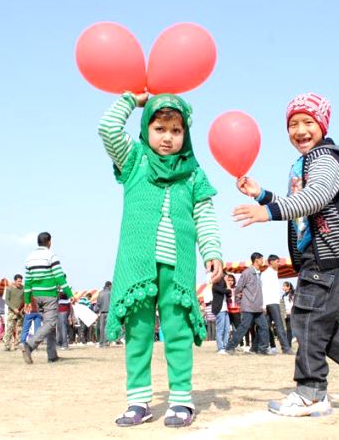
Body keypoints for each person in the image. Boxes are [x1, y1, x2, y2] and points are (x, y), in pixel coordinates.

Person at [233, 92, 339, 416]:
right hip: (317, 255)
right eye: (293, 124)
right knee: (315, 323)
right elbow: (299, 205)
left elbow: (315, 198)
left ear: (322, 125)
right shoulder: (303, 164)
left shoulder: (327, 158)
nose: (300, 130)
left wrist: (267, 212)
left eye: (307, 122)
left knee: (307, 320)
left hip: (328, 254)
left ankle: (311, 392)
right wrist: (262, 194)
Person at [98, 92, 223, 428]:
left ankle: (181, 399)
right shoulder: (134, 159)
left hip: (177, 267)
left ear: (186, 134)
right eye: (159, 128)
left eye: (176, 130)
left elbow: (205, 214)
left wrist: (212, 251)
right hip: (136, 264)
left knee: (177, 331)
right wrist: (131, 100)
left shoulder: (193, 173)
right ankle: (138, 400)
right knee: (137, 331)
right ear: (146, 128)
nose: (168, 137)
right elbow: (108, 127)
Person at [21, 232, 74, 364]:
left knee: (49, 324)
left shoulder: (29, 258)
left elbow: (27, 282)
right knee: (50, 323)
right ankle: (29, 345)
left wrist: (27, 300)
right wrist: (70, 294)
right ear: (49, 242)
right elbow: (59, 276)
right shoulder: (51, 255)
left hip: (35, 295)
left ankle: (52, 355)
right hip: (49, 294)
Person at [223, 253, 271, 355]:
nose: (263, 261)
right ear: (256, 260)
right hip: (248, 307)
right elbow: (238, 289)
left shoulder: (259, 274)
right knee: (243, 328)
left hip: (258, 308)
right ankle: (230, 347)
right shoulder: (247, 272)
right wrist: (240, 302)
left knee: (264, 327)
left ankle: (262, 349)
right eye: (262, 259)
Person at [261, 255, 293, 354]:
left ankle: (258, 347)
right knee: (279, 326)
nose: (279, 263)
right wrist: (264, 305)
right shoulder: (266, 274)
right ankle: (286, 348)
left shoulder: (274, 273)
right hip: (271, 303)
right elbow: (264, 289)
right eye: (277, 261)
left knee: (264, 326)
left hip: (274, 302)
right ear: (271, 262)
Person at [212, 273, 233, 354]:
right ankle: (220, 348)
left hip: (225, 310)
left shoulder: (222, 286)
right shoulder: (216, 286)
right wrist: (227, 284)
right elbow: (227, 291)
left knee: (227, 329)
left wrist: (227, 284)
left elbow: (229, 294)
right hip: (219, 310)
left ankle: (225, 346)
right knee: (220, 329)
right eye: (225, 277)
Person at [2, 275, 24, 351]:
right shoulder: (9, 288)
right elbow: (6, 300)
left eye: (21, 281)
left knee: (20, 329)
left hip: (21, 312)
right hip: (11, 312)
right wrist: (14, 308)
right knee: (9, 328)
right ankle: (6, 345)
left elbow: (25, 299)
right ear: (14, 281)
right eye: (18, 281)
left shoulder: (23, 289)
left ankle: (17, 346)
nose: (20, 283)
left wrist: (22, 309)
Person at [96, 281, 112, 347]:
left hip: (102, 313)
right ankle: (106, 342)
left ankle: (101, 342)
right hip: (109, 312)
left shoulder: (100, 293)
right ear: (109, 285)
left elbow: (98, 304)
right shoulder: (111, 293)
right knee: (107, 327)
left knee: (102, 328)